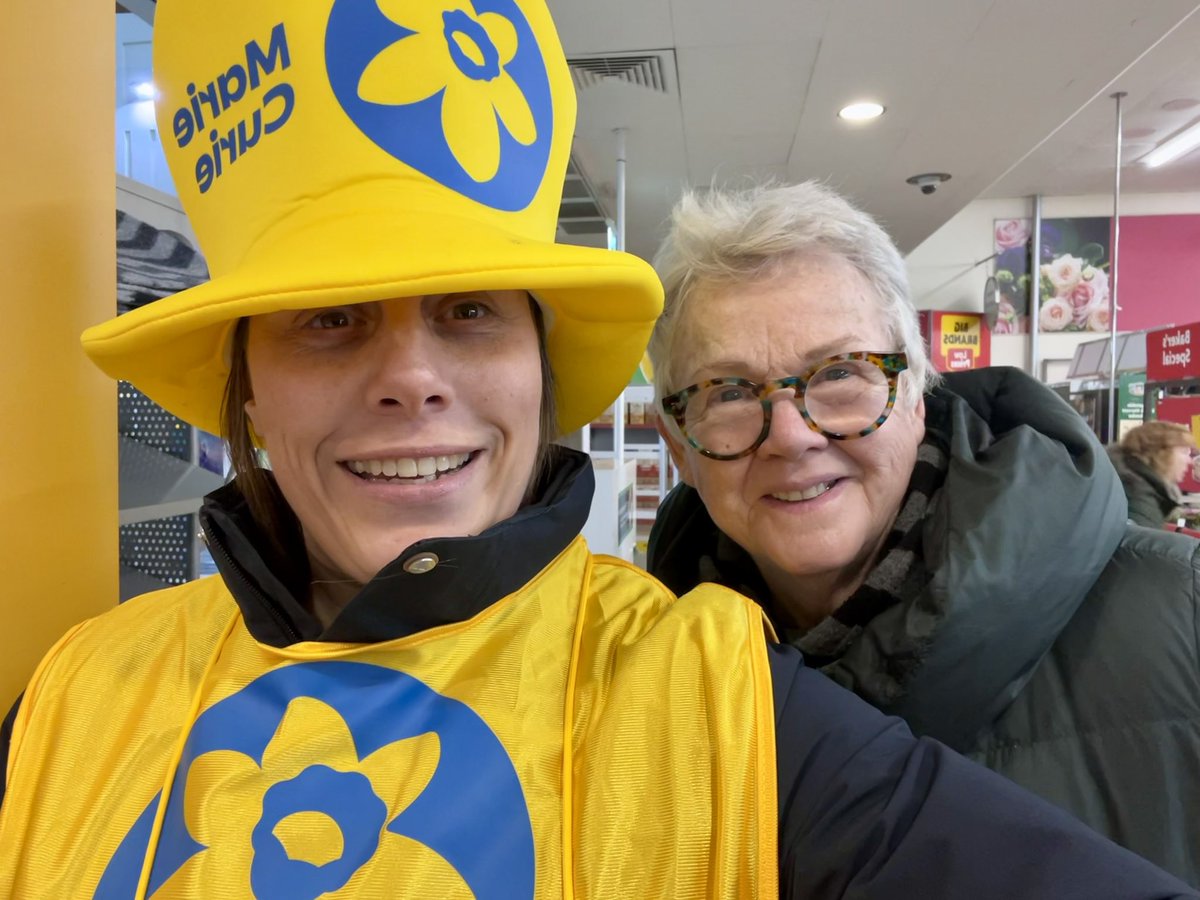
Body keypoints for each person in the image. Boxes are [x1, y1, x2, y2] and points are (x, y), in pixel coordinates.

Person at [0, 3, 1196, 897]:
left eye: (470, 309)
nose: (411, 375)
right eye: (328, 320)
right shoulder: (73, 698)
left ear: (538, 372)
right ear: (245, 386)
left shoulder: (702, 682)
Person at [646, 180, 1200, 886]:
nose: (790, 434)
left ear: (914, 396)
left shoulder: (1181, 612)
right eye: (726, 392)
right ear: (678, 446)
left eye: (841, 373)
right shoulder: (647, 677)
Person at [1109, 420, 1198, 527]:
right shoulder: (1137, 492)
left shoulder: (1136, 481)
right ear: (1161, 453)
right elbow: (1144, 540)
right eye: (1184, 452)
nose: (1189, 461)